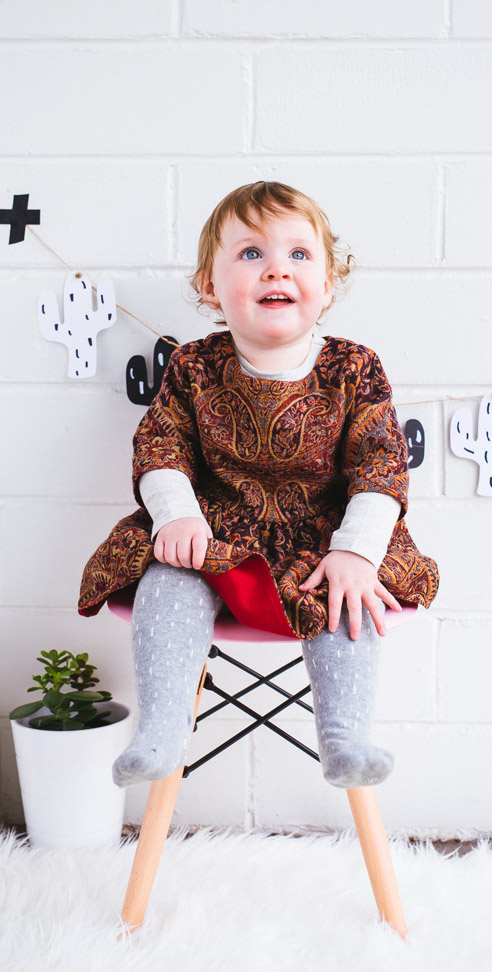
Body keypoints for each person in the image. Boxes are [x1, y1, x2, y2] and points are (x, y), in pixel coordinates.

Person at [78, 181, 439, 790]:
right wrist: (176, 516)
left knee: (344, 596)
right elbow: (160, 446)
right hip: (213, 535)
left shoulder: (352, 367)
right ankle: (162, 731)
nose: (277, 269)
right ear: (209, 286)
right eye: (251, 254)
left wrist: (357, 548)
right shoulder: (193, 365)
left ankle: (345, 739)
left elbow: (380, 464)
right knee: (167, 577)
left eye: (299, 255)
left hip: (323, 539)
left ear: (327, 284)